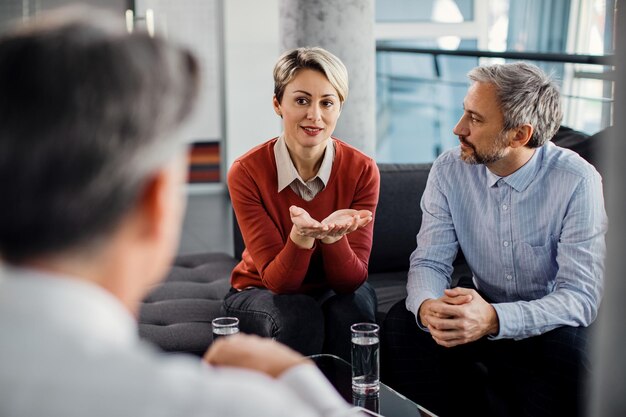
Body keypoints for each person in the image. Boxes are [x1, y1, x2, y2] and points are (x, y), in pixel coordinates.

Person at [0, 7, 358, 417]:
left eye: (327, 102)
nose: (315, 114)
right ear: (155, 202)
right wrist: (300, 381)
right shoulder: (214, 405)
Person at [382, 62, 608, 417]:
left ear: (519, 135)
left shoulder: (577, 180)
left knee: (574, 353)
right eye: (464, 113)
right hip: (480, 300)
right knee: (404, 324)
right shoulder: (448, 169)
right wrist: (428, 308)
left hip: (547, 319)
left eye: (475, 119)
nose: (459, 129)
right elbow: (429, 261)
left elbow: (580, 297)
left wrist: (494, 320)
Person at [225, 47, 379, 360]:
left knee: (353, 309)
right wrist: (301, 238)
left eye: (327, 103)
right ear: (277, 104)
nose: (315, 115)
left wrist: (334, 240)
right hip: (259, 289)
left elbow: (351, 281)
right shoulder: (246, 172)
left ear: (339, 108)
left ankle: (353, 408)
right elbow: (278, 282)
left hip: (333, 289)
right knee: (299, 313)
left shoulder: (363, 170)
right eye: (301, 100)